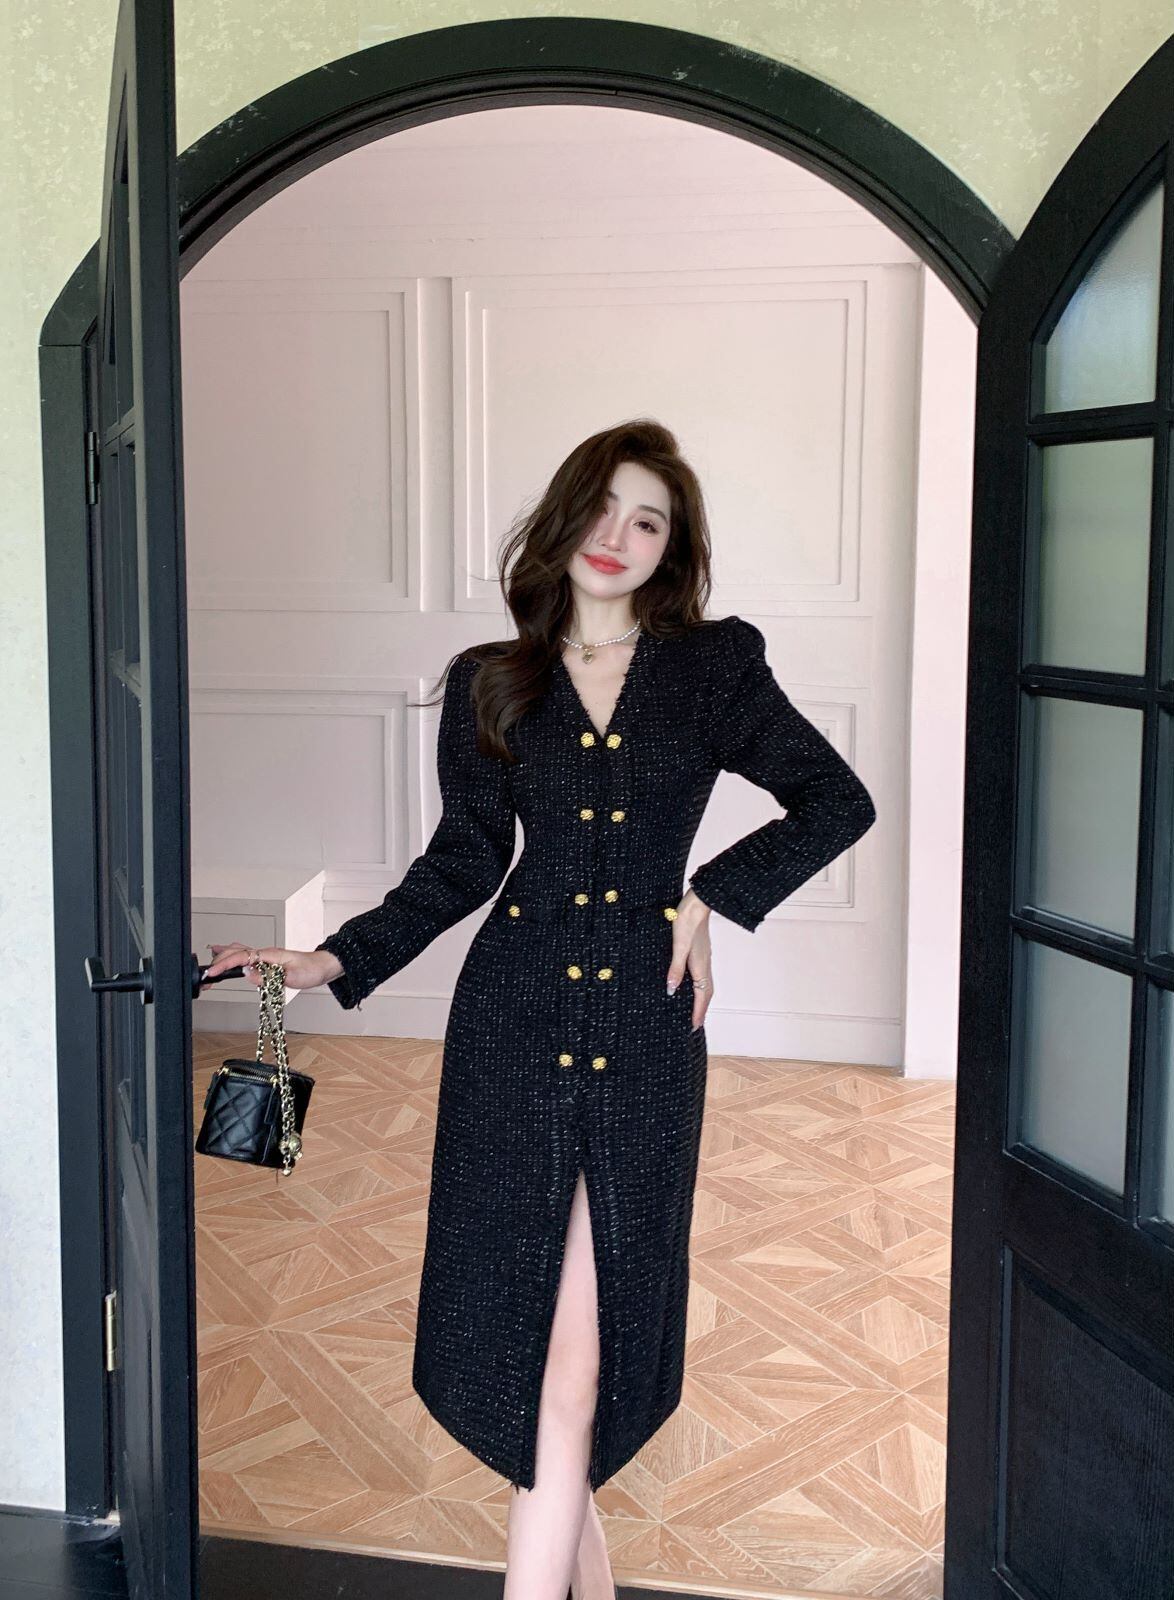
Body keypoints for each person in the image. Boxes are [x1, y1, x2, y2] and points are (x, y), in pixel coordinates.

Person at [203, 419, 876, 1599]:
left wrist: (709, 897)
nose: (618, 536)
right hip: (509, 1027)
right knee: (542, 1348)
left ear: (672, 548)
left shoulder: (713, 670)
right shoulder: (493, 680)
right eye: (602, 509)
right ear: (565, 518)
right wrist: (328, 959)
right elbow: (461, 862)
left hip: (646, 1034)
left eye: (647, 520)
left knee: (582, 1350)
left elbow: (834, 798)